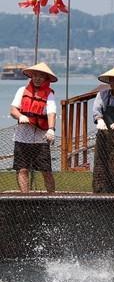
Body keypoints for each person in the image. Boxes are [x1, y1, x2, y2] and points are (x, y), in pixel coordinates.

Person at [10, 62, 57, 193]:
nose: (37, 78)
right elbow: (13, 109)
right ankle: (25, 198)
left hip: (40, 138)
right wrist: (20, 116)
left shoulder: (49, 94)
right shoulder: (22, 90)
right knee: (22, 169)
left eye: (41, 76)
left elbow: (51, 112)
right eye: (35, 75)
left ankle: (52, 197)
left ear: (46, 79)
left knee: (46, 170)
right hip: (22, 137)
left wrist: (51, 129)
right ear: (31, 77)